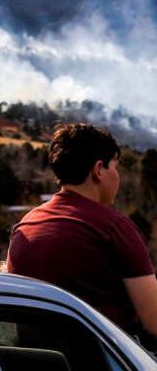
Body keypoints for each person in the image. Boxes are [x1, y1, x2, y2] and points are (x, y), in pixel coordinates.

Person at [8, 124, 157, 341]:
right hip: (107, 357)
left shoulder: (26, 225)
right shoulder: (114, 227)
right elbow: (153, 321)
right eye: (115, 167)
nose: (117, 176)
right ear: (98, 170)